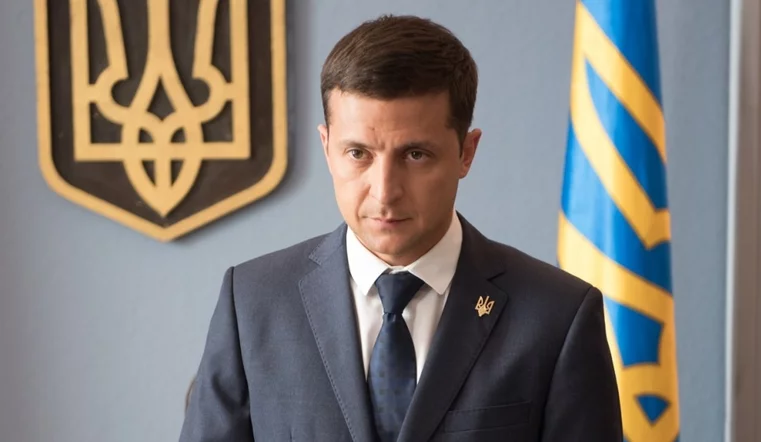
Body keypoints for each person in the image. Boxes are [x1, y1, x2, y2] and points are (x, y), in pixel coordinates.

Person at [179, 14, 622, 442]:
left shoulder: (557, 317)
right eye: (358, 154)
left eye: (415, 155)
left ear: (466, 152)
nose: (385, 191)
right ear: (327, 147)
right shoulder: (251, 304)